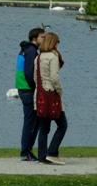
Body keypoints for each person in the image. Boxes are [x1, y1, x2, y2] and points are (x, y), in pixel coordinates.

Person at [36, 32, 67, 165]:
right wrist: (59, 90)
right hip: (51, 94)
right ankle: (52, 152)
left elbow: (34, 77)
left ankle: (42, 156)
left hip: (40, 94)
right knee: (62, 125)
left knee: (43, 127)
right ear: (54, 43)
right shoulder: (53, 57)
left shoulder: (38, 57)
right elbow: (54, 77)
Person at [16, 28, 44, 162]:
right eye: (42, 37)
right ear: (35, 38)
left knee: (32, 121)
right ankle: (25, 152)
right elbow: (29, 72)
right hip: (28, 90)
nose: (43, 39)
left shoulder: (26, 49)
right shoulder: (32, 51)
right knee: (31, 122)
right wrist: (36, 87)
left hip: (23, 88)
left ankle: (26, 151)